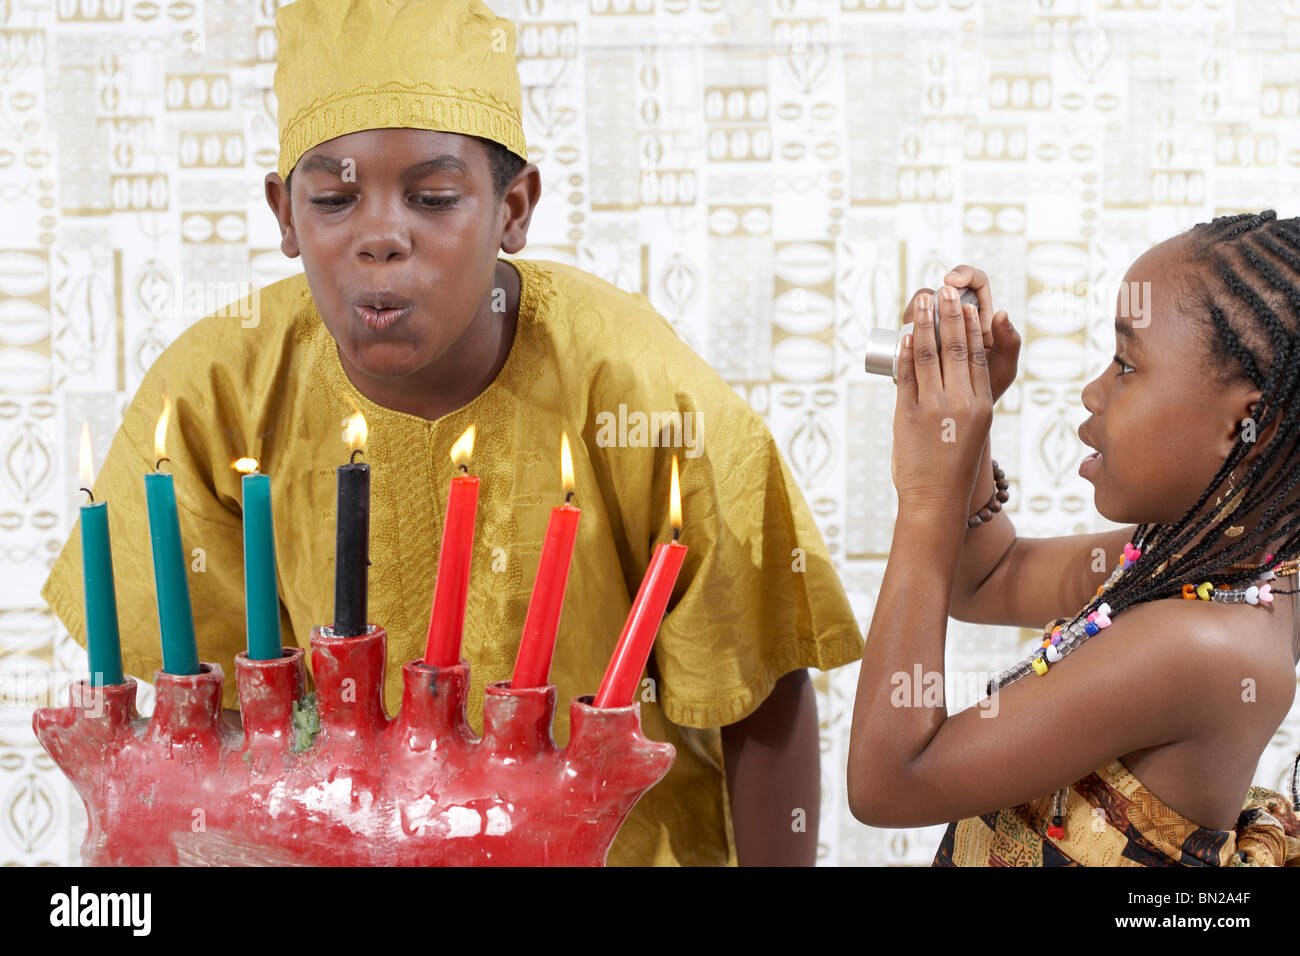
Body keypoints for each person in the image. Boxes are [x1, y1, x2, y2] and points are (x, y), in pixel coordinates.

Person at [38, 0, 863, 866]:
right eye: (332, 197)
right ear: (284, 215)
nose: (382, 237)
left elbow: (759, 696)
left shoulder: (642, 390)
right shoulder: (216, 393)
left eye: (433, 197)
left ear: (514, 206)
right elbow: (203, 718)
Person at [848, 210, 1300, 866]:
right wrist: (967, 432)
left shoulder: (1205, 639)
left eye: (1125, 364)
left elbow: (889, 784)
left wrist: (927, 498)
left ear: (1251, 419)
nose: (1093, 392)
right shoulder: (1213, 566)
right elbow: (989, 577)